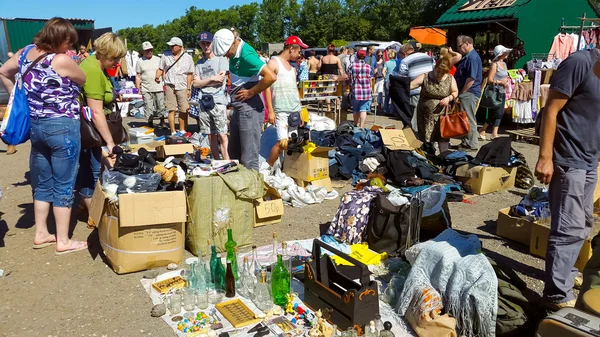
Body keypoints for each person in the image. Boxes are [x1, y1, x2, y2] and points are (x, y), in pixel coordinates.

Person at [0, 18, 87, 254]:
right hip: (62, 126)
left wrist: (16, 94)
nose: (69, 45)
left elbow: (4, 71)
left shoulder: (25, 52)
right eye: (68, 40)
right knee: (64, 184)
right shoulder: (60, 59)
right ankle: (63, 240)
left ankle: (41, 233)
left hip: (36, 127)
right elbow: (82, 79)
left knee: (43, 183)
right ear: (60, 38)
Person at [534, 44, 600, 310]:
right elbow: (551, 110)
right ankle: (556, 295)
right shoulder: (580, 62)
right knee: (568, 228)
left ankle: (564, 275)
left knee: (583, 223)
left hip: (589, 160)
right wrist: (545, 157)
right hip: (568, 158)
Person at [212, 28, 276, 171]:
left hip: (250, 109)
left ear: (233, 43)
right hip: (239, 108)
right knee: (234, 152)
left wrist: (251, 92)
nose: (226, 56)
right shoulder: (235, 53)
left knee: (249, 156)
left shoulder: (246, 54)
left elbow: (271, 77)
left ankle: (252, 190)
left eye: (226, 52)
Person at [77, 33, 125, 216]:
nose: (116, 63)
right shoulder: (94, 71)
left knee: (94, 166)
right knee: (92, 170)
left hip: (89, 127)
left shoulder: (92, 64)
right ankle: (95, 216)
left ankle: (86, 204)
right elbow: (96, 111)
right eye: (114, 58)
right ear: (103, 53)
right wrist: (110, 142)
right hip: (90, 129)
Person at [265, 36, 308, 167]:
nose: (299, 54)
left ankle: (287, 169)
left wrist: (300, 109)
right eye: (298, 51)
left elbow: (295, 88)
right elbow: (266, 87)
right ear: (291, 49)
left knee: (292, 142)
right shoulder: (273, 63)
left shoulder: (292, 67)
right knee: (282, 143)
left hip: (293, 110)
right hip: (281, 110)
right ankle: (268, 168)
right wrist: (270, 111)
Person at [189, 32, 230, 160]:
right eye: (203, 43)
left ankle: (226, 160)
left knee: (222, 134)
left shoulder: (221, 59)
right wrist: (212, 78)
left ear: (213, 43)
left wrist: (203, 82)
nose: (206, 46)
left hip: (218, 101)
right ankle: (217, 161)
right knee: (210, 134)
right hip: (204, 101)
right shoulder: (199, 63)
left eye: (208, 43)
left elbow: (220, 80)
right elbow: (195, 83)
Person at [410, 55, 458, 153]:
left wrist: (448, 98)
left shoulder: (450, 78)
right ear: (435, 67)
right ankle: (428, 158)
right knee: (426, 138)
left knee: (443, 137)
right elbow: (411, 85)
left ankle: (443, 159)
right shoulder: (426, 76)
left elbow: (455, 92)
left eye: (442, 73)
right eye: (438, 71)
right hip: (425, 116)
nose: (439, 74)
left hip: (443, 115)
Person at [155, 37, 194, 135]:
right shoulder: (165, 55)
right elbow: (160, 68)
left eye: (173, 46)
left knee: (183, 109)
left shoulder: (188, 57)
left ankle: (182, 130)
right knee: (171, 109)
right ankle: (172, 131)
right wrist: (157, 76)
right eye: (170, 45)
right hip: (169, 84)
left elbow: (190, 74)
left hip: (182, 85)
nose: (171, 47)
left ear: (180, 46)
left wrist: (189, 88)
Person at [397, 43, 435, 130]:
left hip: (415, 91)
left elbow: (402, 79)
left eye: (400, 55)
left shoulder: (405, 61)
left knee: (415, 119)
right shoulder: (428, 57)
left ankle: (414, 140)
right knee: (428, 117)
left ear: (404, 53)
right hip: (430, 91)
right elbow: (434, 70)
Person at [454, 35, 483, 151]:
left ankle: (472, 144)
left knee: (469, 118)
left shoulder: (472, 58)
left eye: (460, 46)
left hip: (469, 93)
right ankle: (466, 142)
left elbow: (471, 78)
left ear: (467, 43)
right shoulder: (468, 57)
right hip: (467, 92)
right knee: (464, 118)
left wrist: (462, 92)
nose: (459, 48)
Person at [479, 45, 511, 140]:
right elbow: (490, 80)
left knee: (499, 112)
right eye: (505, 52)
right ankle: (491, 132)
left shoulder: (504, 64)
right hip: (495, 91)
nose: (507, 54)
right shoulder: (494, 64)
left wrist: (506, 81)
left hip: (502, 91)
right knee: (497, 112)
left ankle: (486, 130)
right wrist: (500, 82)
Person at [135, 41, 166, 128]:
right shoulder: (140, 61)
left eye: (150, 50)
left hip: (158, 87)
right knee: (148, 107)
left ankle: (162, 121)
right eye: (147, 50)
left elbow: (163, 71)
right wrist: (138, 88)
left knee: (160, 106)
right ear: (143, 51)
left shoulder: (158, 59)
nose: (149, 51)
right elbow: (138, 75)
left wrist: (165, 83)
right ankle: (150, 123)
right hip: (146, 88)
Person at [349, 49, 372, 128]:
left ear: (357, 56)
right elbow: (370, 79)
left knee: (355, 109)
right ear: (365, 56)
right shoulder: (368, 67)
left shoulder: (352, 65)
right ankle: (361, 126)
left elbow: (349, 76)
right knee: (363, 109)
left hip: (356, 90)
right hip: (366, 91)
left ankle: (355, 125)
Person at [382, 49, 397, 115]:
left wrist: (385, 77)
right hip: (395, 80)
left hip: (388, 80)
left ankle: (385, 110)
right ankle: (393, 111)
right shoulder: (398, 62)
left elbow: (383, 72)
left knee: (387, 97)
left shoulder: (387, 63)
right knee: (394, 97)